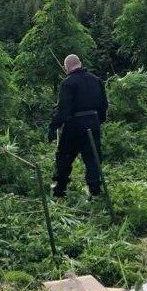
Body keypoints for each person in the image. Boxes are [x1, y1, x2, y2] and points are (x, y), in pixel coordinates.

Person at [48, 54, 109, 198]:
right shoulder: (96, 80)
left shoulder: (68, 83)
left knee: (64, 156)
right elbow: (104, 105)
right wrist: (98, 121)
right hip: (93, 122)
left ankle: (60, 189)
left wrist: (53, 127)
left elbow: (63, 110)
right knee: (93, 158)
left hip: (74, 125)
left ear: (66, 67)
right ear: (80, 64)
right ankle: (95, 192)